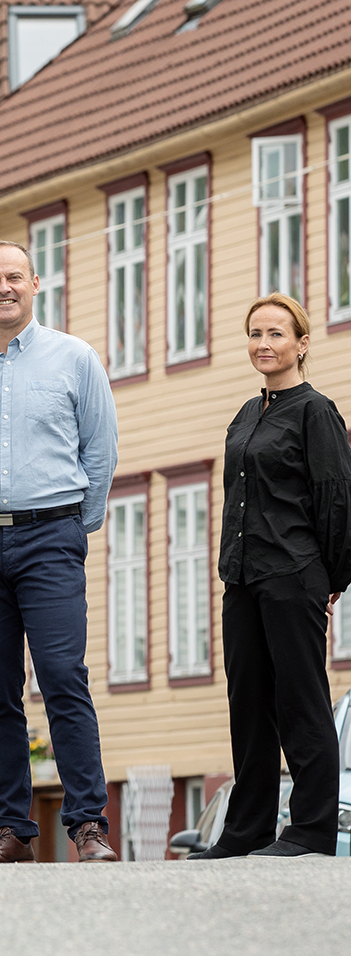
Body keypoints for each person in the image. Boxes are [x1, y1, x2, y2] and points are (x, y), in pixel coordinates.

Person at [0, 240, 118, 863]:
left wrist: (71, 529)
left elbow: (100, 451)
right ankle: (12, 829)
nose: (3, 287)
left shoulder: (75, 358)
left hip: (51, 536)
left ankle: (88, 825)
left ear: (36, 283)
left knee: (65, 678)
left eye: (15, 277)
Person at [192, 293, 351, 860]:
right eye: (255, 333)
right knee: (248, 703)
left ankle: (310, 830)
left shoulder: (316, 412)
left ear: (301, 344)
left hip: (293, 573)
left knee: (301, 701)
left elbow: (336, 497)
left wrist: (331, 577)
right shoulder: (245, 413)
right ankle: (246, 830)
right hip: (242, 578)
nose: (264, 344)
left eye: (276, 334)